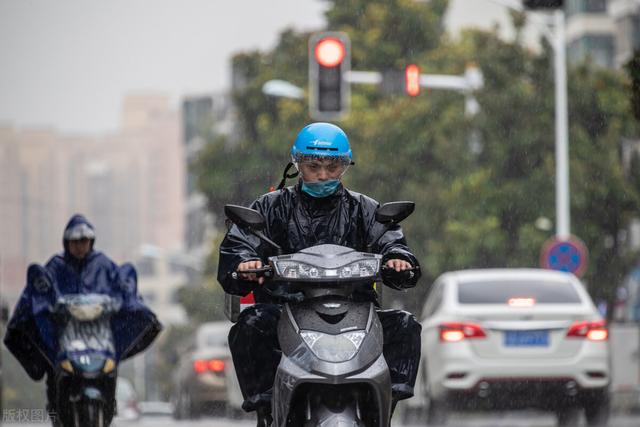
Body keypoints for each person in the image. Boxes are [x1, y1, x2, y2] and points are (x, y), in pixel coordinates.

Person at [218, 122, 422, 426]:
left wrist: (398, 259)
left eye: (333, 166)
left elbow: (391, 241)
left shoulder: (365, 208)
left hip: (357, 308)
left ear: (346, 165)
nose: (323, 174)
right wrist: (245, 263)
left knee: (405, 325)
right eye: (314, 166)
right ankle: (267, 410)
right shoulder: (270, 206)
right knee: (251, 325)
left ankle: (384, 404)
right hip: (284, 309)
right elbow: (239, 244)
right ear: (297, 163)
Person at [4, 214, 161, 425]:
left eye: (84, 241)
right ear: (67, 242)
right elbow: (38, 298)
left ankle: (106, 410)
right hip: (64, 345)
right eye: (75, 242)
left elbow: (123, 293)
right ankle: (58, 416)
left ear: (91, 242)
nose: (80, 246)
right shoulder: (55, 267)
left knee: (110, 370)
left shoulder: (104, 265)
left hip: (100, 345)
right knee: (55, 375)